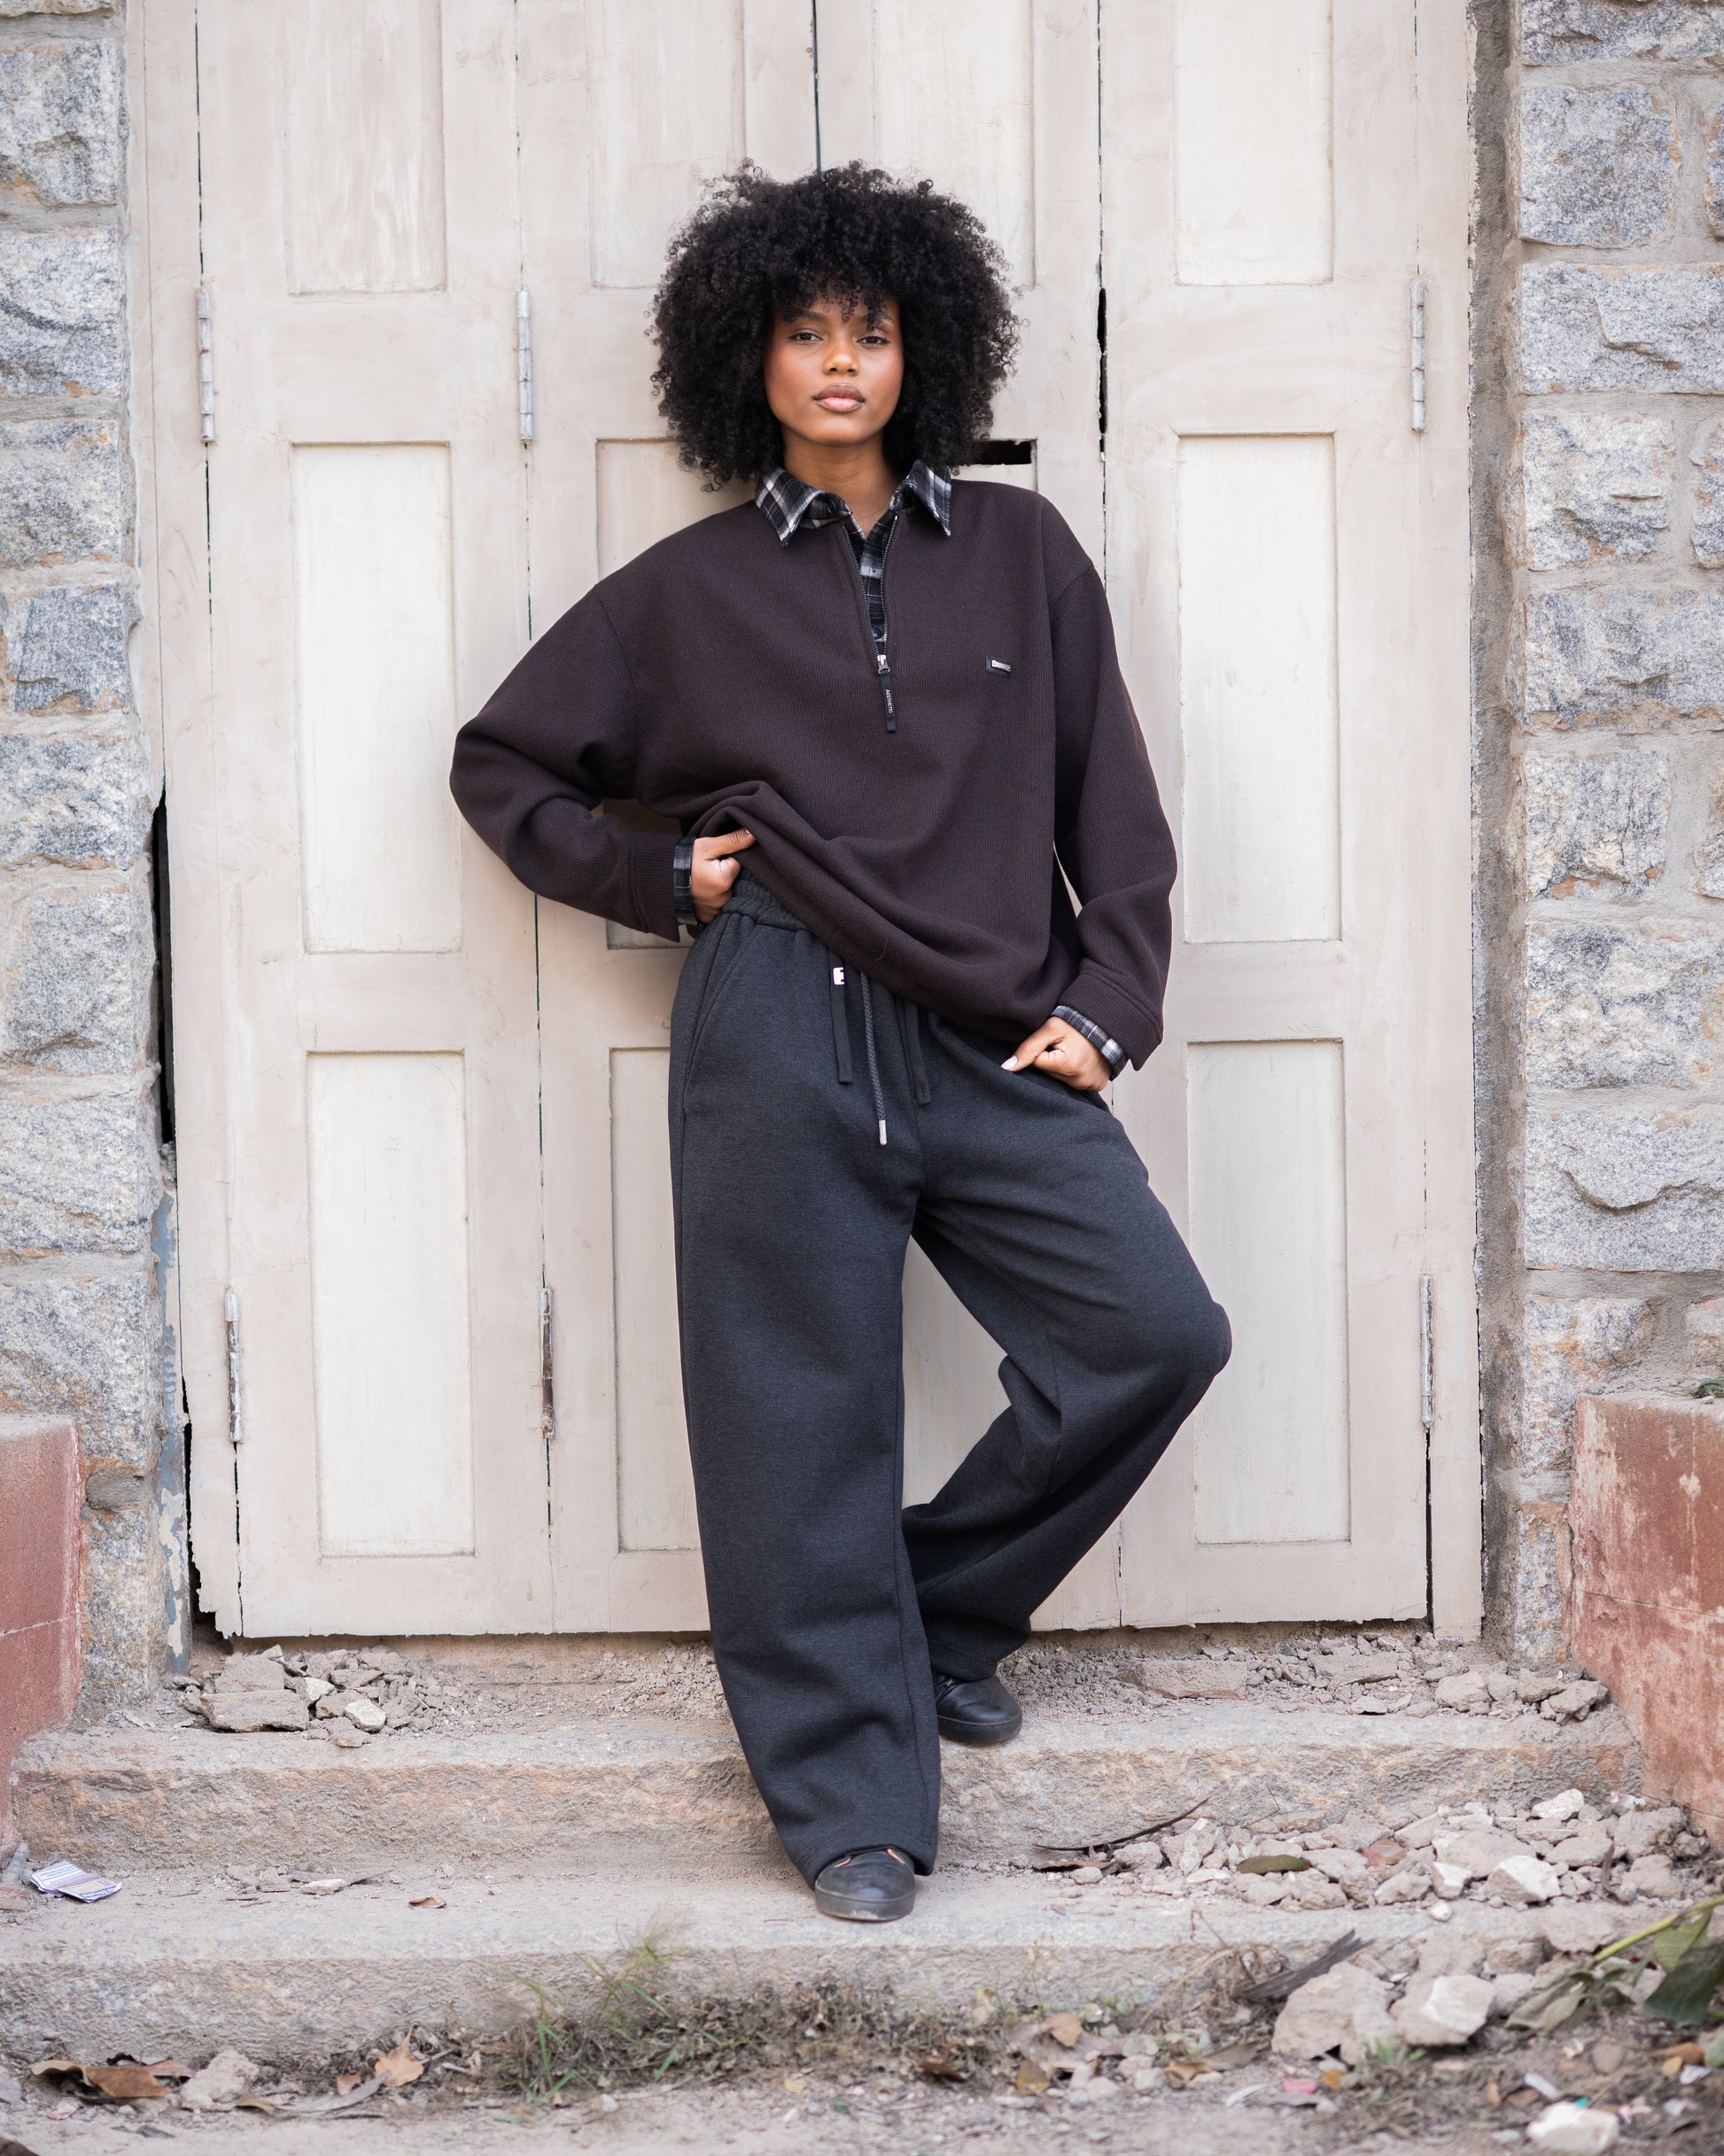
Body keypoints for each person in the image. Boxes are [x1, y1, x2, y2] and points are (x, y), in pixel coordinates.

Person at [450, 164, 1230, 1926]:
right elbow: (502, 763)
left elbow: (1111, 805)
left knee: (1152, 1334)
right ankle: (851, 1807)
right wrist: (655, 872)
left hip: (988, 1031)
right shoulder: (684, 592)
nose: (837, 362)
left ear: (918, 351)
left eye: (868, 332)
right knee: (791, 1413)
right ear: (748, 360)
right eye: (802, 333)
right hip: (777, 1016)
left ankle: (932, 1613)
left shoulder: (1024, 555)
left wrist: (1109, 1002)